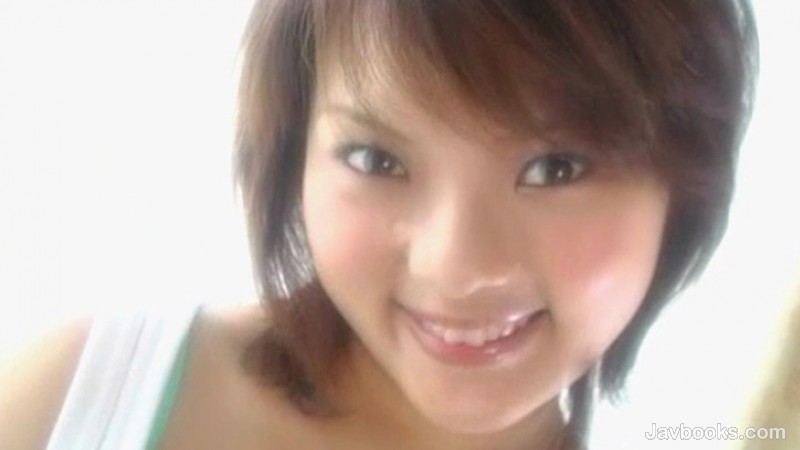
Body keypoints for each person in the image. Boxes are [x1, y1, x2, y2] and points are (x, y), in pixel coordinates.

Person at [0, 0, 758, 449]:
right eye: (375, 159)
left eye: (558, 168)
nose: (457, 268)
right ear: (294, 156)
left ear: (686, 187)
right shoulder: (82, 397)